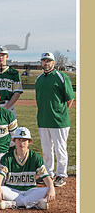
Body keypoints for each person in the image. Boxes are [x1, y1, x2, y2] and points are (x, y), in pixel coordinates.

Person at [35, 52, 75, 187]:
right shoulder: (39, 79)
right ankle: (48, 174)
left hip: (59, 121)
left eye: (49, 61)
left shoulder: (61, 77)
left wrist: (61, 113)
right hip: (43, 120)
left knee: (60, 149)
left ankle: (62, 175)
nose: (46, 63)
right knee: (46, 149)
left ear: (53, 62)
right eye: (44, 60)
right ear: (41, 62)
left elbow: (70, 98)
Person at [0, 127, 54, 210]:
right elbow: (0, 175)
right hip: (12, 191)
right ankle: (35, 203)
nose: (21, 143)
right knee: (0, 189)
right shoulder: (7, 157)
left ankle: (12, 204)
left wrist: (51, 188)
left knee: (50, 189)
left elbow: (46, 176)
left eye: (24, 140)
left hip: (30, 191)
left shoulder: (35, 157)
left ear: (29, 142)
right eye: (19, 140)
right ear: (14, 141)